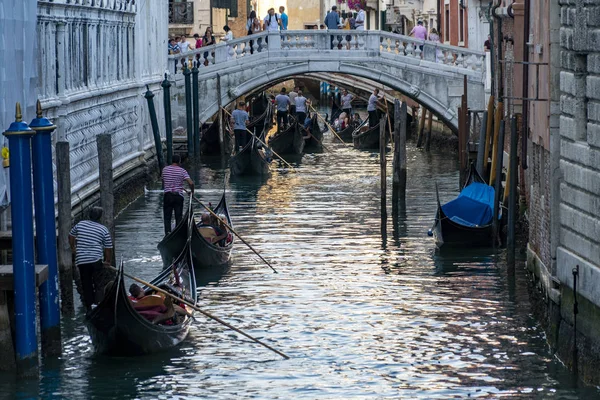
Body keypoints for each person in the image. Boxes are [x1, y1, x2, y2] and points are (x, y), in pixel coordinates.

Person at [69, 207, 113, 310]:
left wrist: (73, 248)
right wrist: (108, 261)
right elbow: (108, 248)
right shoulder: (103, 229)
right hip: (95, 261)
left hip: (82, 261)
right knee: (99, 284)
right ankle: (98, 305)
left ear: (89, 215)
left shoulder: (80, 224)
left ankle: (90, 307)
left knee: (86, 284)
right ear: (100, 217)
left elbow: (71, 236)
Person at [162, 155, 195, 235]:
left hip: (168, 195)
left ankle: (167, 234)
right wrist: (192, 192)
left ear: (172, 161)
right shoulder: (182, 171)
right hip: (178, 196)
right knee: (178, 217)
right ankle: (178, 234)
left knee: (167, 218)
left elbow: (163, 181)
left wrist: (168, 186)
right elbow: (191, 183)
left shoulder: (165, 170)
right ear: (179, 162)